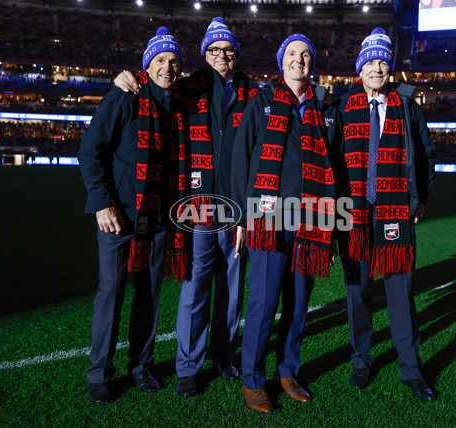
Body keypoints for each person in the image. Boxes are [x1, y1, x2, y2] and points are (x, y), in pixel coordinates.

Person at [114, 17, 259, 397]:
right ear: (204, 54)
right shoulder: (186, 87)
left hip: (235, 207)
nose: (222, 56)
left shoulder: (252, 93)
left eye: (228, 50)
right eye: (214, 50)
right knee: (196, 287)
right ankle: (188, 366)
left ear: (237, 54)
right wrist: (122, 81)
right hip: (195, 204)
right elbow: (150, 92)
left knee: (231, 286)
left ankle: (223, 356)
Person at [232, 34, 341, 413]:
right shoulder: (260, 102)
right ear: (282, 62)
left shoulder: (325, 106)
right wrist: (244, 217)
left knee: (297, 305)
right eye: (293, 54)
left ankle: (288, 373)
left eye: (306, 55)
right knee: (263, 303)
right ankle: (252, 380)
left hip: (309, 219)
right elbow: (241, 159)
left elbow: (336, 164)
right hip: (267, 218)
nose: (299, 60)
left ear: (313, 64)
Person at [77, 27, 186, 405]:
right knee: (111, 293)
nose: (167, 67)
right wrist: (102, 203)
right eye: (160, 60)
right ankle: (99, 374)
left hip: (155, 221)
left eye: (173, 61)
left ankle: (141, 366)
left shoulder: (179, 106)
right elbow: (91, 151)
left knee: (149, 297)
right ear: (147, 65)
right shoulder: (124, 95)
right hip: (118, 218)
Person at [339, 28, 437, 401]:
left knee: (400, 295)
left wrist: (421, 199)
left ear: (389, 68)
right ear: (359, 70)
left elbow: (427, 155)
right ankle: (361, 361)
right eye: (370, 62)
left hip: (395, 212)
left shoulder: (407, 105)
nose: (377, 68)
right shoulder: (343, 108)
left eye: (383, 61)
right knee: (357, 293)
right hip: (355, 214)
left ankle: (411, 369)